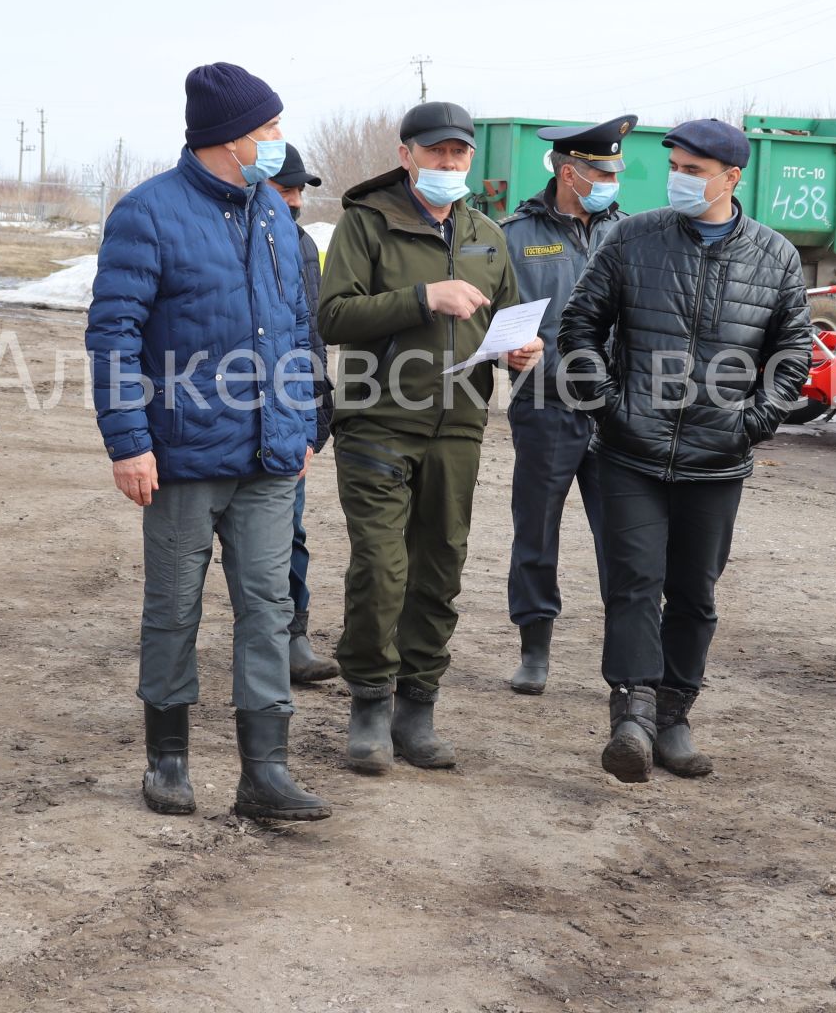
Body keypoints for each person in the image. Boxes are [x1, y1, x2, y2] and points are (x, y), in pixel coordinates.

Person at [86, 62, 329, 822]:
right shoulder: (148, 213)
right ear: (229, 138)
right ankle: (169, 759)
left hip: (267, 459)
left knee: (268, 606)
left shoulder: (271, 214)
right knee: (174, 609)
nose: (278, 143)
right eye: (268, 130)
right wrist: (129, 441)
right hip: (184, 456)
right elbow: (114, 334)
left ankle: (266, 772)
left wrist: (300, 425)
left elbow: (293, 329)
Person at [559, 118, 812, 783]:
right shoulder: (632, 238)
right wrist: (609, 407)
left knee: (694, 594)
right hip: (630, 453)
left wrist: (753, 421)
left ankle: (674, 716)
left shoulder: (775, 257)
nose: (680, 178)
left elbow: (793, 354)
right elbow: (580, 325)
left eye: (695, 170)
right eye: (676, 165)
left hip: (717, 458)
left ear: (733, 177)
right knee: (635, 585)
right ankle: (633, 717)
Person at [317, 100, 541, 774]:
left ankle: (418, 705)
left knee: (440, 567)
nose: (450, 163)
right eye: (438, 152)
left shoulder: (485, 234)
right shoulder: (367, 224)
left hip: (458, 426)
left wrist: (519, 350)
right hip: (379, 421)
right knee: (382, 571)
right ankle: (367, 705)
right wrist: (424, 299)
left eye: (460, 153)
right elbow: (332, 315)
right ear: (406, 153)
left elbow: (505, 314)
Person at [497, 114, 633, 694]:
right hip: (545, 407)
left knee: (627, 536)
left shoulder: (632, 233)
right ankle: (534, 649)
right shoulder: (513, 235)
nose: (610, 180)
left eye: (613, 170)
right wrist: (504, 355)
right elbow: (493, 318)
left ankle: (627, 655)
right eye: (601, 171)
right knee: (536, 529)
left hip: (615, 412)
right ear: (569, 171)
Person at [267, 143, 341, 684]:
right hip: (219, 412)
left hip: (286, 417)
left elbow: (310, 337)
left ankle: (292, 636)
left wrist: (316, 419)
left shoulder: (300, 243)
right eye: (285, 189)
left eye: (299, 191)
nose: (295, 201)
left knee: (288, 532)